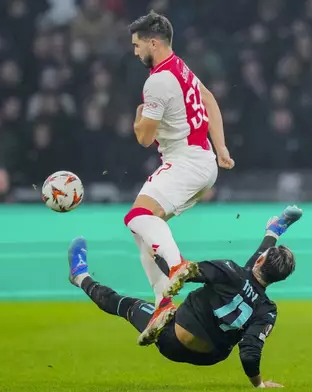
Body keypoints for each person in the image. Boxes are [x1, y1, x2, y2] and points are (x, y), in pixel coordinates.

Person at [68, 206, 302, 388]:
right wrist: (259, 384)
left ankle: (80, 276)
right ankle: (275, 229)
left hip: (172, 338)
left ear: (261, 259)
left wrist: (158, 256)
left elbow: (184, 273)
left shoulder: (230, 269)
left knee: (126, 305)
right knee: (244, 279)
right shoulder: (268, 310)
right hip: (211, 356)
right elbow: (250, 352)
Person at [123, 11, 235, 344]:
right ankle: (163, 302)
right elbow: (210, 99)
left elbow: (144, 138)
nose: (134, 52)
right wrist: (222, 148)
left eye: (136, 45)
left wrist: (138, 116)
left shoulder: (156, 81)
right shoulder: (181, 67)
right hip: (202, 162)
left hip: (185, 162)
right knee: (144, 232)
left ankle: (177, 265)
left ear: (152, 43)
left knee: (136, 216)